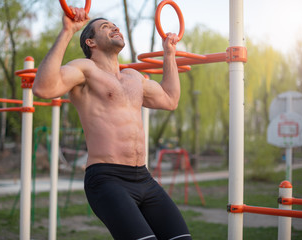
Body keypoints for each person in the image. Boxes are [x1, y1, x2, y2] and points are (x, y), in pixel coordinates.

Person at [33, 6, 192, 240]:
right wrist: (67, 31)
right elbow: (43, 88)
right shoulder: (85, 70)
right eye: (105, 27)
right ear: (91, 42)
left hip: (144, 178)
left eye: (114, 25)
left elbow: (170, 99)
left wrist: (169, 53)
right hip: (107, 178)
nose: (114, 28)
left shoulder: (134, 78)